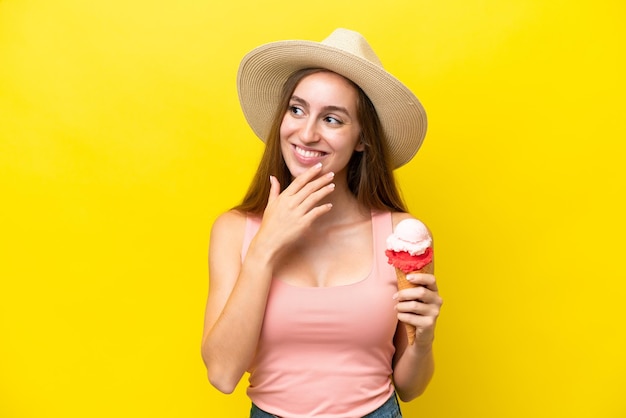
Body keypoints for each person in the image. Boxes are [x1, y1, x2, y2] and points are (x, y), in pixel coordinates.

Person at [201, 28, 443, 418]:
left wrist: (425, 339)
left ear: (362, 139)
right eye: (296, 110)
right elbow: (223, 374)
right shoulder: (234, 231)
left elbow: (410, 388)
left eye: (332, 119)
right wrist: (264, 248)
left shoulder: (402, 236)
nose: (307, 133)